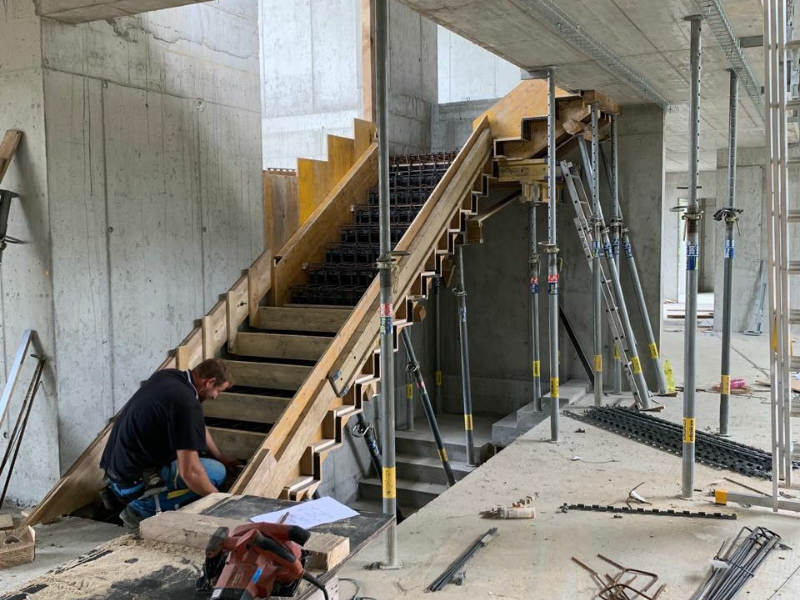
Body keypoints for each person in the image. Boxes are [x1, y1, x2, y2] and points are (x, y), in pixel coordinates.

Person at [100, 358, 240, 529]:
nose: (215, 397)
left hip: (115, 470)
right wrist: (221, 503)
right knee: (216, 473)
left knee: (210, 465)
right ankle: (140, 510)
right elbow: (190, 473)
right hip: (132, 482)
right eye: (218, 391)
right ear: (209, 382)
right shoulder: (187, 404)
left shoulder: (167, 377)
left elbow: (195, 425)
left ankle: (126, 497)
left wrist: (218, 455)